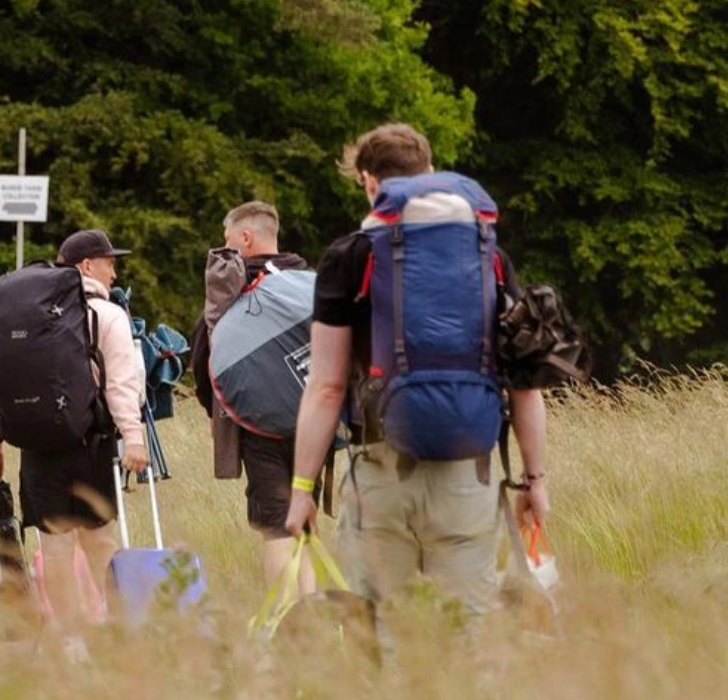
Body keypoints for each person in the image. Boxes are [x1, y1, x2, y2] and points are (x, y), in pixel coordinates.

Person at [285, 124, 551, 643]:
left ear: (368, 182)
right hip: (467, 471)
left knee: (383, 635)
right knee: (469, 637)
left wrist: (301, 490)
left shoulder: (350, 256)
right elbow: (524, 382)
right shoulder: (486, 255)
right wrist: (534, 481)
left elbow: (326, 388)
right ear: (431, 173)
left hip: (380, 474)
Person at [1, 229, 149, 662]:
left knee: (55, 543)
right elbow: (122, 384)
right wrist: (134, 437)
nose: (114, 269)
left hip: (36, 443)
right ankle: (116, 630)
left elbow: (8, 375)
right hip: (90, 441)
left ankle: (70, 641)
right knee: (102, 540)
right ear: (87, 266)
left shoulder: (26, 313)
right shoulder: (105, 314)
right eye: (108, 261)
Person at [190, 201, 316, 594]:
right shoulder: (308, 283)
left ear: (245, 238)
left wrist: (215, 411)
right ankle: (315, 620)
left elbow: (203, 361)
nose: (226, 247)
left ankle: (289, 622)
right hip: (317, 421)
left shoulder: (234, 293)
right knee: (305, 520)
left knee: (277, 527)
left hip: (259, 428)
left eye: (228, 240)